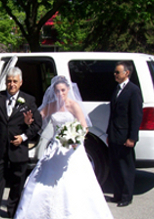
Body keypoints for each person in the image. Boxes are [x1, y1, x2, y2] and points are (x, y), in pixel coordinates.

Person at [14, 76, 113, 219]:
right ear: (53, 91)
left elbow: (84, 127)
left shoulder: (74, 105)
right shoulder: (51, 105)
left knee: (74, 182)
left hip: (71, 148)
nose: (60, 93)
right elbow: (37, 120)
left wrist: (74, 139)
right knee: (44, 181)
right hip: (55, 147)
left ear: (68, 90)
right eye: (57, 91)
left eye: (63, 90)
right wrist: (29, 121)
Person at [0, 67, 42, 217]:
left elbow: (37, 124)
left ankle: (13, 212)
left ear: (21, 82)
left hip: (18, 149)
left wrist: (24, 136)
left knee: (17, 183)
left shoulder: (29, 100)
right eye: (9, 81)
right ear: (5, 82)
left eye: (15, 81)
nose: (12, 84)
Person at [107, 61, 143, 207]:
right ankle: (117, 194)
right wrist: (109, 133)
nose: (115, 74)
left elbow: (136, 116)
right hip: (114, 135)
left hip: (125, 136)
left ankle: (126, 197)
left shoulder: (133, 90)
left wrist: (132, 137)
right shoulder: (117, 89)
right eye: (115, 72)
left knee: (125, 168)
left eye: (117, 72)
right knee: (115, 167)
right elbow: (113, 114)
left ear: (126, 73)